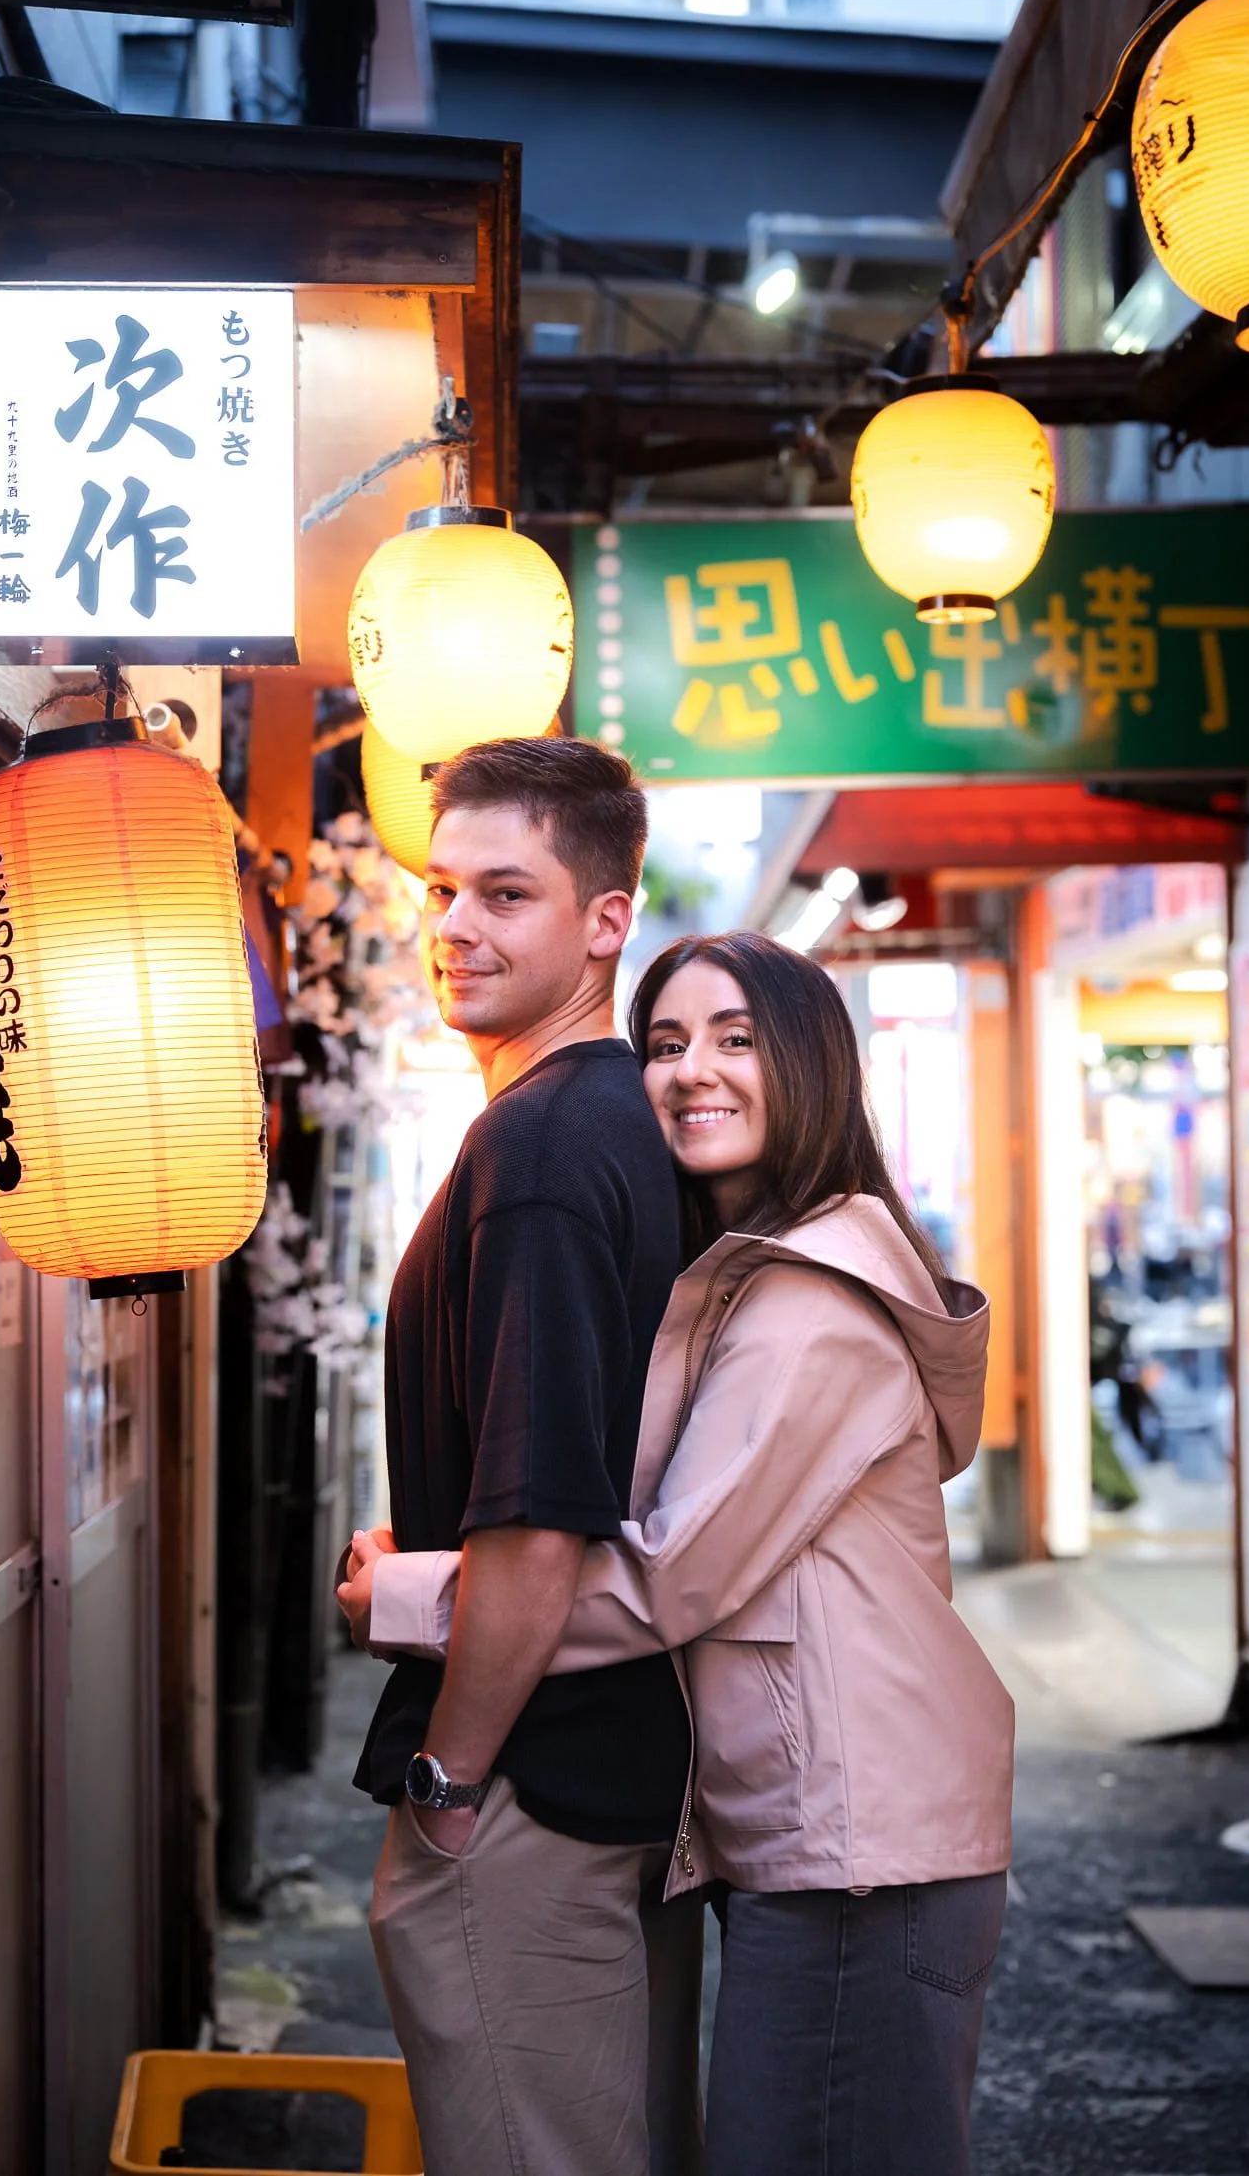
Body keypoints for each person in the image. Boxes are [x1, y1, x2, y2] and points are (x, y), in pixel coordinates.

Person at [343, 930, 1016, 2176]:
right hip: (827, 1843)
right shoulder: (758, 1282)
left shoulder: (811, 1310)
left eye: (737, 1037)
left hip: (862, 1859)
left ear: (811, 1066)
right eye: (664, 1043)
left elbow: (667, 1574)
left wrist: (413, 1595)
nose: (690, 1070)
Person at [347, 736, 699, 2176]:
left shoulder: (547, 1148)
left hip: (529, 1793)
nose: (456, 929)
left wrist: (447, 1779)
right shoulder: (627, 1126)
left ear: (607, 920)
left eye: (507, 892)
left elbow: (547, 1519)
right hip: (624, 1774)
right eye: (441, 891)